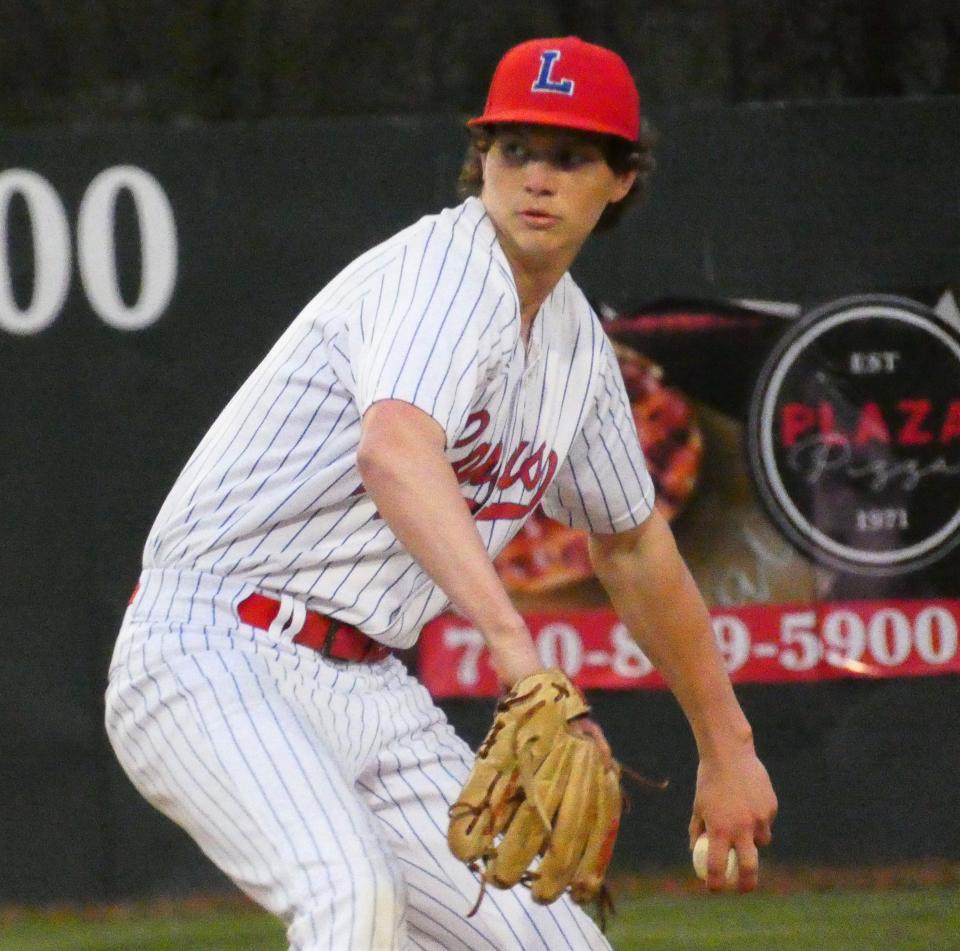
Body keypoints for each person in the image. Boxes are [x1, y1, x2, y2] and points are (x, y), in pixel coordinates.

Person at [105, 35, 777, 951]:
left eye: (571, 156)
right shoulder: (445, 272)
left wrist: (726, 743)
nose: (536, 178)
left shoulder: (577, 344)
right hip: (213, 648)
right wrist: (519, 657)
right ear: (482, 158)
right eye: (516, 150)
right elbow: (394, 450)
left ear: (621, 179)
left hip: (368, 682)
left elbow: (632, 543)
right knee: (352, 897)